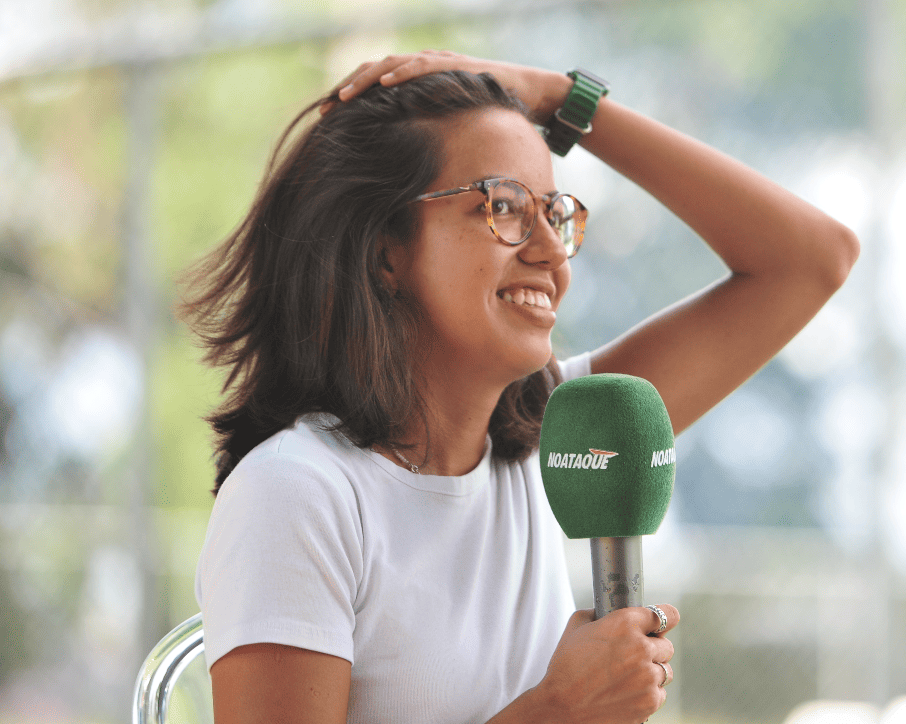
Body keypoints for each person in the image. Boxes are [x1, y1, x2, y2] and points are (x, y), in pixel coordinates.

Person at [183, 50, 859, 724]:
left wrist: (560, 98)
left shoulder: (564, 435)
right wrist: (557, 711)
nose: (552, 250)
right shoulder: (296, 492)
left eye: (554, 211)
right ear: (386, 251)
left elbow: (810, 260)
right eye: (503, 206)